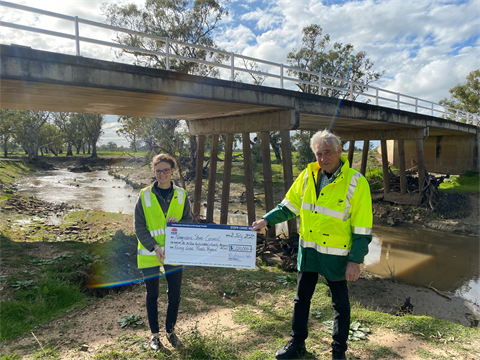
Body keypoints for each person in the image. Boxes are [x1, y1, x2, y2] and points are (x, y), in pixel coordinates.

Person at [252, 130, 372, 360]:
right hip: (308, 251)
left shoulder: (356, 182)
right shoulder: (307, 176)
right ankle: (297, 343)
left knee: (341, 305)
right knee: (301, 299)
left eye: (327, 152)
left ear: (339, 151)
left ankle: (339, 351)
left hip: (336, 255)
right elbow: (288, 206)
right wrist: (266, 220)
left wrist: (355, 260)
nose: (323, 158)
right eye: (319, 154)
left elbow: (363, 227)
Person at [134, 153, 193, 351]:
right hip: (150, 252)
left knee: (174, 294)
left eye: (166, 170)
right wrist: (155, 246)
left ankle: (170, 331)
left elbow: (189, 221)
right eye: (158, 171)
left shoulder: (182, 195)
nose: (162, 174)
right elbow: (139, 226)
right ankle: (154, 335)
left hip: (175, 252)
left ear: (172, 171)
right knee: (152, 295)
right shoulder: (144, 195)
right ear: (154, 172)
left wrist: (181, 224)